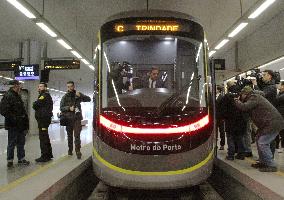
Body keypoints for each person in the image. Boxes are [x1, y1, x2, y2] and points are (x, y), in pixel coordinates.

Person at [235, 86, 284, 172]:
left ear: (245, 94)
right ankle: (263, 162)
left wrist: (236, 100)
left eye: (241, 95)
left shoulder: (254, 97)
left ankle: (271, 165)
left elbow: (244, 107)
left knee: (263, 142)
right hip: (268, 123)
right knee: (258, 140)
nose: (241, 96)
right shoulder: (254, 98)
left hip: (272, 123)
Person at [0, 80, 30, 168]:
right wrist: (14, 118)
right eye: (19, 85)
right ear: (15, 86)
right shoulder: (8, 96)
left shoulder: (17, 96)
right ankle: (10, 161)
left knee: (21, 142)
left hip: (20, 124)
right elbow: (3, 111)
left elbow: (22, 111)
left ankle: (21, 159)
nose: (20, 87)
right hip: (13, 125)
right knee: (12, 143)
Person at [60, 81, 91, 159]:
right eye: (68, 86)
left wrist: (80, 96)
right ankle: (70, 149)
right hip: (68, 119)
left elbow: (89, 99)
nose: (70, 88)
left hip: (77, 118)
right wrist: (68, 108)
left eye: (71, 86)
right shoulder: (65, 97)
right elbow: (61, 108)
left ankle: (78, 151)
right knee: (69, 136)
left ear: (74, 86)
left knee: (77, 135)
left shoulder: (78, 94)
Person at [218, 81, 247, 160]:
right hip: (241, 119)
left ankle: (231, 155)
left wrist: (222, 117)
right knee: (239, 137)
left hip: (230, 120)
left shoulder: (227, 96)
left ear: (228, 87)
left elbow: (222, 109)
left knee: (230, 137)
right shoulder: (241, 95)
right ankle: (241, 154)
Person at [32, 82, 53, 162]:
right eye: (39, 86)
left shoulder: (44, 95)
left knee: (43, 137)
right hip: (43, 119)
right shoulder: (45, 95)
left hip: (43, 120)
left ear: (45, 88)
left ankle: (44, 156)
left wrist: (34, 103)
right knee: (45, 137)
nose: (39, 88)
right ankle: (49, 155)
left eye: (41, 86)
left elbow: (35, 105)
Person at [274, 81, 284, 153]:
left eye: (280, 85)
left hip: (282, 115)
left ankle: (283, 147)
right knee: (278, 131)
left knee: (282, 132)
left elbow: (276, 100)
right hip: (279, 114)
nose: (278, 86)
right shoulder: (280, 93)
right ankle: (276, 146)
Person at [216, 85, 225, 150]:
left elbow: (223, 108)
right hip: (214, 117)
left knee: (222, 131)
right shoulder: (213, 96)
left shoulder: (222, 97)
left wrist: (223, 117)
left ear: (218, 90)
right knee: (215, 132)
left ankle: (222, 144)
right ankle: (215, 144)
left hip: (220, 117)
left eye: (215, 89)